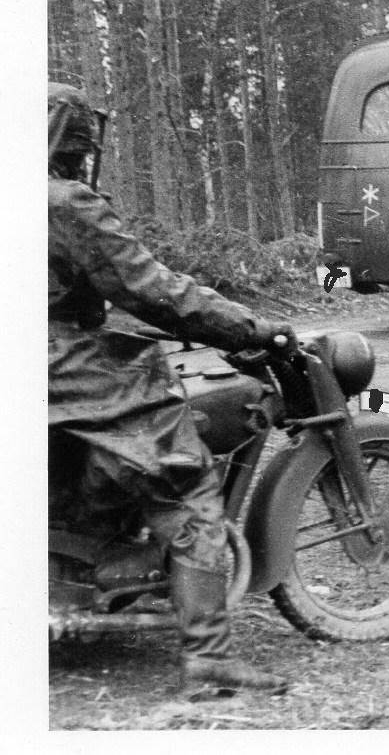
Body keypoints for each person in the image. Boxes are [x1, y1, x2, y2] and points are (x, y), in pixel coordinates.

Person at [47, 84, 292, 696]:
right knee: (184, 484)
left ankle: (94, 558)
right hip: (62, 363)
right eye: (82, 144)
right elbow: (152, 288)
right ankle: (208, 659)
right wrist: (249, 326)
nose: (84, 155)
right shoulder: (64, 201)